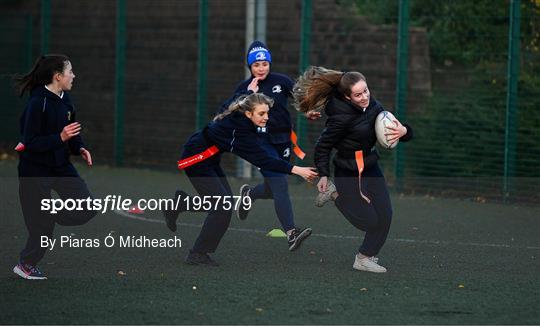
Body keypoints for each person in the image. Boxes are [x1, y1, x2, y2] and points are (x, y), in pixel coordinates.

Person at [163, 93, 318, 266]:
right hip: (196, 159)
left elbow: (239, 99)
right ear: (248, 114)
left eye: (267, 113)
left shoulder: (243, 120)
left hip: (208, 158)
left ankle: (179, 204)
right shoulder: (240, 131)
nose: (266, 117)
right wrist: (296, 170)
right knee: (222, 207)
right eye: (261, 114)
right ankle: (197, 254)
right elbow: (262, 159)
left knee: (223, 203)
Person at [293, 66, 413, 273]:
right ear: (347, 98)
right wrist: (323, 174)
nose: (365, 96)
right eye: (358, 94)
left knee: (385, 215)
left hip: (370, 166)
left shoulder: (374, 106)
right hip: (347, 171)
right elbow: (323, 146)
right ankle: (333, 193)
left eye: (366, 90)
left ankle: (364, 257)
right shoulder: (340, 118)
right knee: (368, 221)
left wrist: (404, 131)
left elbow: (397, 131)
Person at [218, 40, 320, 251]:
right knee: (280, 183)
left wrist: (308, 111)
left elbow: (299, 99)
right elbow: (226, 110)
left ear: (269, 63)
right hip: (260, 142)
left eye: (265, 63)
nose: (261, 68)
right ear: (250, 67)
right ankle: (292, 233)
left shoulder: (281, 80)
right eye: (256, 65)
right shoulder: (245, 88)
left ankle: (249, 195)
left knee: (274, 188)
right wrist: (247, 94)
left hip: (283, 140)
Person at [12, 54, 97, 280]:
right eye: (70, 72)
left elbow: (71, 130)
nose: (74, 76)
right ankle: (26, 264)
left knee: (87, 207)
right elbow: (29, 142)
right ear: (57, 76)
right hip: (35, 171)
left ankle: (48, 213)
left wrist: (79, 147)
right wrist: (59, 138)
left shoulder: (66, 100)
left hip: (60, 167)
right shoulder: (37, 103)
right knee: (41, 228)